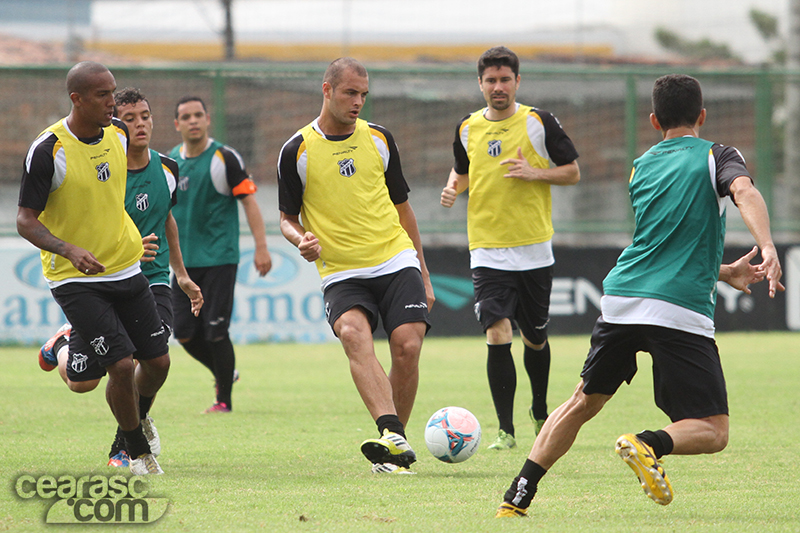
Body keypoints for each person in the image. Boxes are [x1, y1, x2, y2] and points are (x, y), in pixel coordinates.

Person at [495, 74, 784, 518]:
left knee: (582, 402)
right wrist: (766, 246)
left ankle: (517, 496)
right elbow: (743, 191)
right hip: (678, 309)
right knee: (713, 430)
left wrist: (724, 272)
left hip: (623, 297)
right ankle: (647, 443)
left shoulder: (641, 165)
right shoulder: (718, 155)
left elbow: (663, 243)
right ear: (702, 117)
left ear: (653, 120)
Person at [277, 57, 435, 473]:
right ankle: (393, 436)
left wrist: (424, 273)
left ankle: (393, 443)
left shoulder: (380, 139)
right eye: (350, 92)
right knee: (352, 333)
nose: (358, 101)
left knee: (408, 346)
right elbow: (286, 219)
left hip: (394, 257)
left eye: (364, 94)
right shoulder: (297, 150)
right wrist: (301, 240)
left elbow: (404, 209)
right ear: (326, 90)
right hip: (341, 270)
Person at [37, 87, 206, 468]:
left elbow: (166, 220)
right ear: (114, 123)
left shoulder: (167, 168)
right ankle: (60, 346)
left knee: (154, 357)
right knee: (82, 381)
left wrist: (180, 273)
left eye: (144, 116)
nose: (139, 125)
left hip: (152, 276)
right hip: (101, 278)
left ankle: (125, 443)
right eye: (128, 119)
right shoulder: (103, 168)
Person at [18, 62, 169, 475]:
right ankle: (135, 448)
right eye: (103, 95)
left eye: (113, 92)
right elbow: (25, 220)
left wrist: (138, 238)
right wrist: (69, 249)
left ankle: (66, 347)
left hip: (125, 269)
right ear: (76, 99)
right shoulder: (49, 149)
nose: (112, 102)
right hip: (75, 278)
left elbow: (130, 194)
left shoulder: (119, 134)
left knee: (158, 363)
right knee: (119, 366)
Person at [440, 46, 580, 450]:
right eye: (490, 80)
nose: (497, 87)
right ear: (480, 84)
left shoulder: (538, 122)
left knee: (535, 339)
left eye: (505, 79)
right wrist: (453, 187)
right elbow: (464, 170)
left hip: (534, 249)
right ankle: (506, 430)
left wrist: (534, 172)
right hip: (486, 249)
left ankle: (540, 410)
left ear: (517, 82)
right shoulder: (467, 127)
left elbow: (572, 172)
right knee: (497, 332)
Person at [169, 95, 272, 413]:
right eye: (186, 117)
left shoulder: (224, 158)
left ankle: (223, 400)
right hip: (184, 264)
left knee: (215, 331)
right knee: (183, 333)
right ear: (177, 124)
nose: (193, 121)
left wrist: (261, 247)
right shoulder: (170, 160)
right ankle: (225, 373)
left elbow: (249, 202)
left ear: (208, 119)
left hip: (220, 259)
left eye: (198, 114)